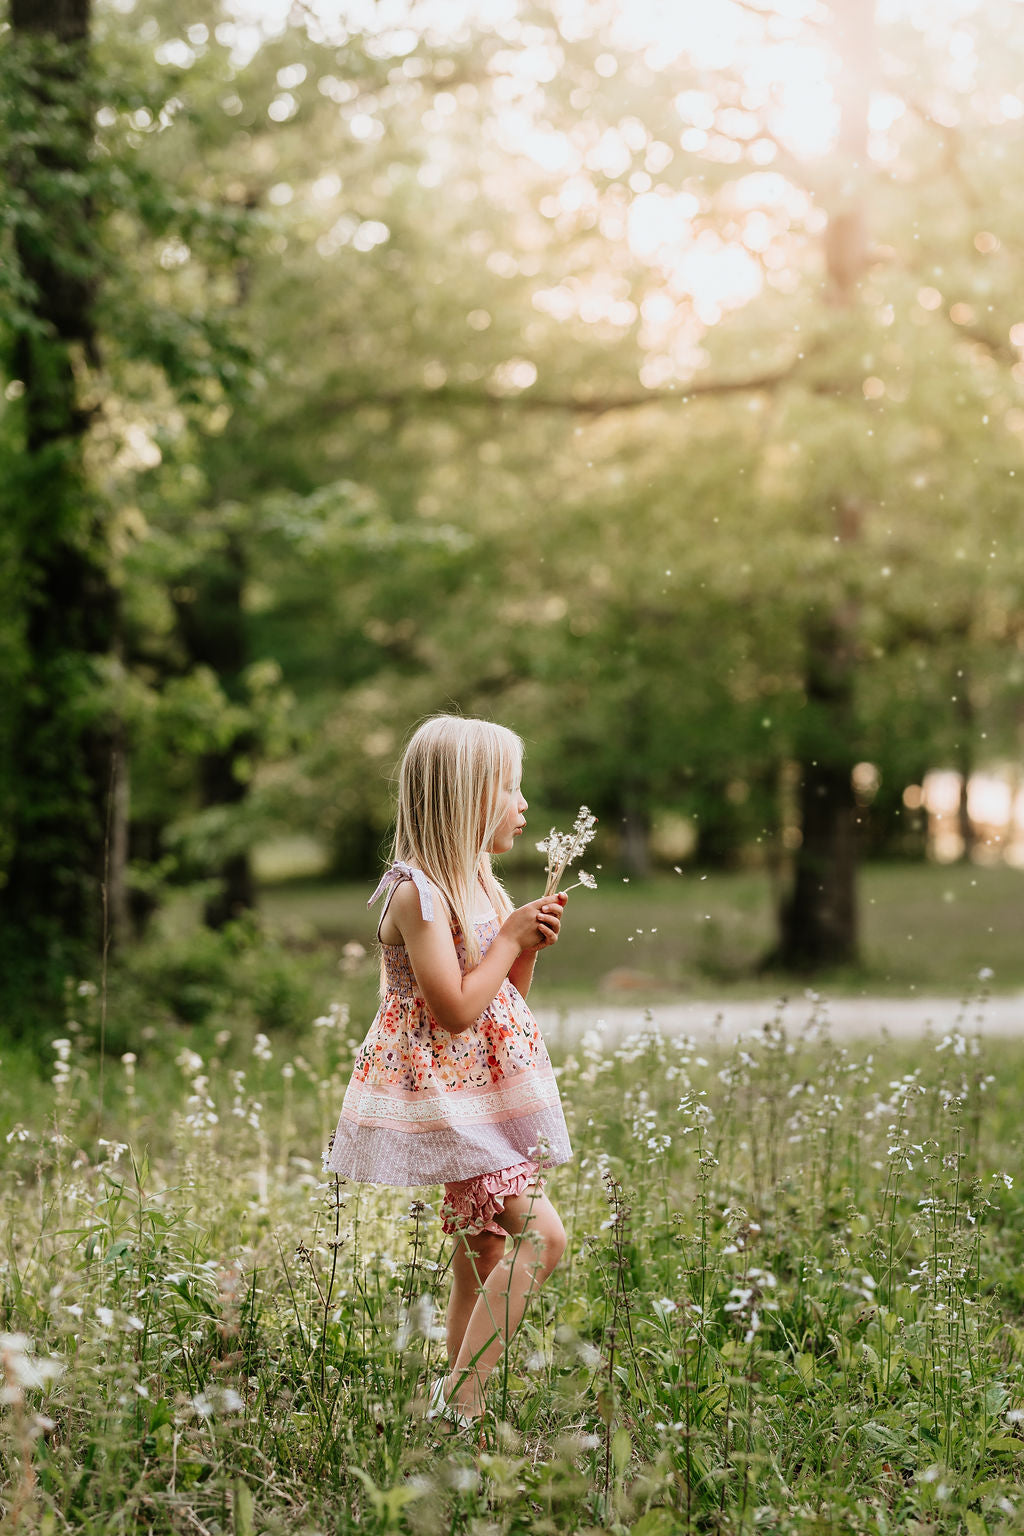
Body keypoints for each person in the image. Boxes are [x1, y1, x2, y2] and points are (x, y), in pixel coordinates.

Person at [324, 715, 572, 1427]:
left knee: (485, 1244)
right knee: (539, 1238)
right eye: (510, 790)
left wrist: (525, 944)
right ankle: (463, 1400)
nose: (524, 806)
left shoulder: (480, 884)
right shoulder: (418, 894)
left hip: (479, 1093)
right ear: (467, 797)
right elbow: (457, 1010)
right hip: (444, 1097)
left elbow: (505, 998)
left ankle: (449, 1407)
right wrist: (511, 938)